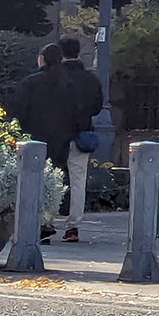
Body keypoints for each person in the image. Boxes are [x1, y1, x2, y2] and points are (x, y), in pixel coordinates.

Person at [9, 46, 84, 244]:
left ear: (41, 59)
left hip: (33, 139)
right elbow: (77, 114)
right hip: (59, 141)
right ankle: (47, 220)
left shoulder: (31, 83)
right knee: (53, 182)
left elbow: (17, 110)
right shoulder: (67, 85)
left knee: (30, 181)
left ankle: (33, 223)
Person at [58, 37, 103, 242]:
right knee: (78, 181)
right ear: (78, 53)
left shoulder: (54, 78)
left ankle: (45, 223)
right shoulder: (91, 80)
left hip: (55, 135)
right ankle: (73, 226)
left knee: (50, 180)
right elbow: (97, 107)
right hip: (82, 135)